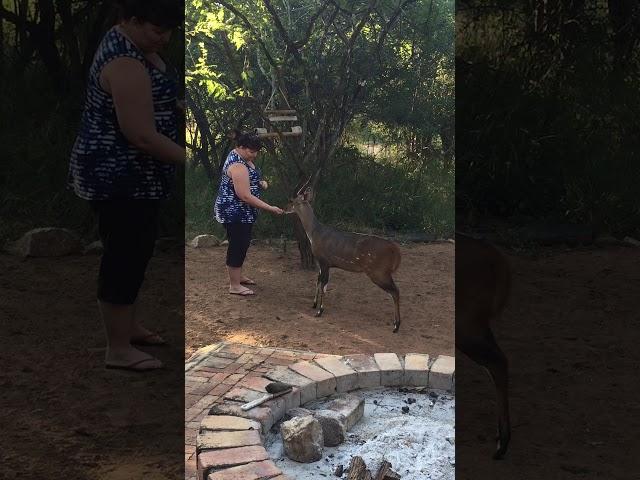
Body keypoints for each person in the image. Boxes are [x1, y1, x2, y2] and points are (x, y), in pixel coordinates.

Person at [67, 0, 184, 371]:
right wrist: (194, 163)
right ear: (131, 20)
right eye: (156, 29)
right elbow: (142, 136)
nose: (164, 38)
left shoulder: (138, 47)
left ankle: (128, 327)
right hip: (118, 177)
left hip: (140, 178)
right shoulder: (125, 61)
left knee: (138, 250)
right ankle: (117, 349)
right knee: (124, 255)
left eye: (169, 30)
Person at [214, 132, 284, 296]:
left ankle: (238, 276)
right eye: (251, 151)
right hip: (235, 212)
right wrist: (270, 208)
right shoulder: (237, 165)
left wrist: (259, 182)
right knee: (238, 245)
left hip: (244, 212)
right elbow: (244, 195)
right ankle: (234, 285)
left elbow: (248, 179)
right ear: (240, 147)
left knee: (242, 243)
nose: (254, 154)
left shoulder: (243, 158)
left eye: (256, 151)